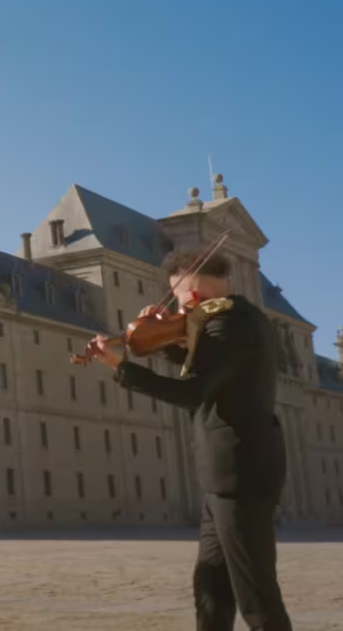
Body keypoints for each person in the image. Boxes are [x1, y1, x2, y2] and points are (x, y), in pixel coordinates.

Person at [83, 249, 292, 631]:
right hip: (223, 479)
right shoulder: (232, 320)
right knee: (210, 591)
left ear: (190, 287)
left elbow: (192, 392)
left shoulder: (231, 323)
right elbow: (207, 365)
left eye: (176, 295)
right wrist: (162, 339)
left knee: (257, 599)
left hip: (240, 473)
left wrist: (121, 367)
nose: (177, 306)